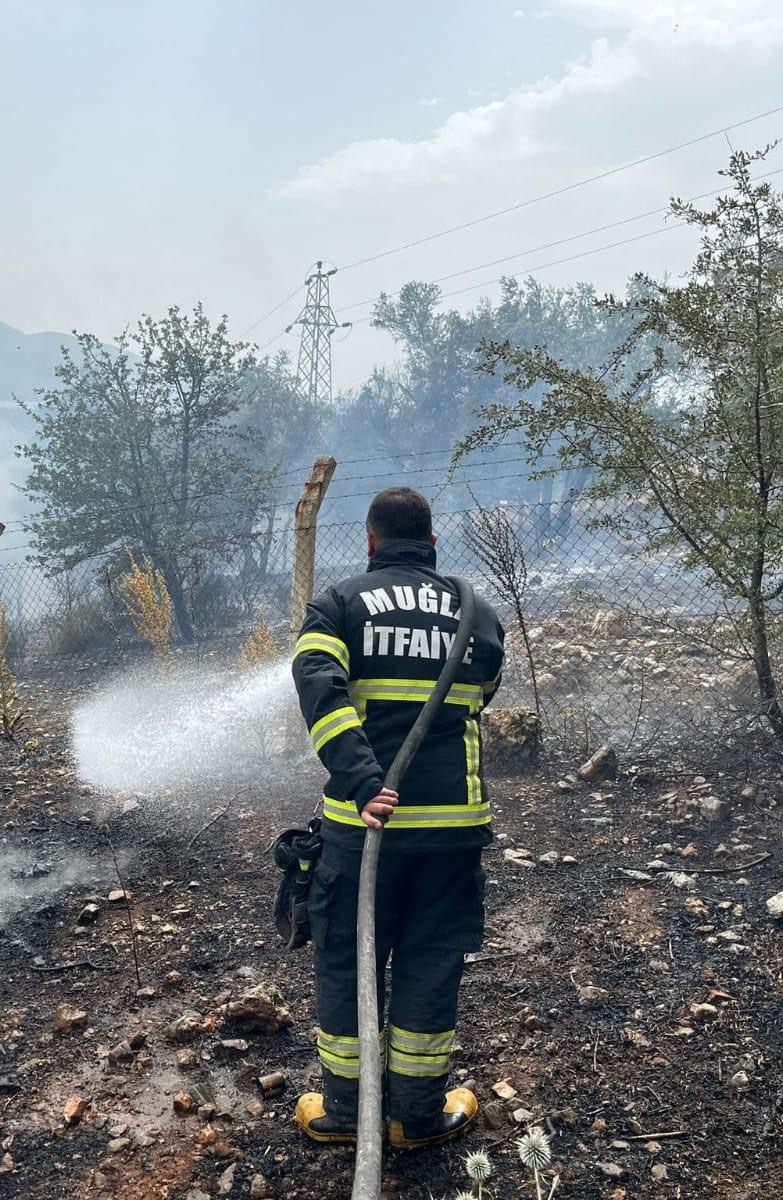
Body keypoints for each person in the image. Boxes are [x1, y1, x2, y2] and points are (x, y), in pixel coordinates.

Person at [290, 486, 505, 1149]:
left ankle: (347, 1113)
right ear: (433, 544)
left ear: (370, 541)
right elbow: (483, 694)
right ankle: (417, 1116)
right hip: (450, 832)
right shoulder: (477, 614)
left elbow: (319, 691)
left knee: (349, 961)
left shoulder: (338, 605)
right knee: (431, 961)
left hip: (363, 832)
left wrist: (362, 781)